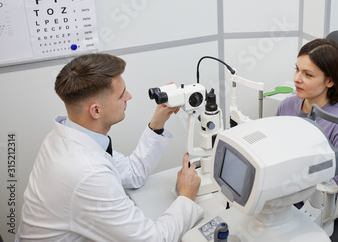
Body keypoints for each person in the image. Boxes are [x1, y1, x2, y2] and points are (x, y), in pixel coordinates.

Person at [16, 53, 203, 242]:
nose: (129, 97)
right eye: (122, 94)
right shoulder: (86, 173)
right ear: (96, 110)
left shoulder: (68, 135)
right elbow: (152, 239)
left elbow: (133, 174)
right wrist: (186, 197)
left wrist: (158, 123)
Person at [276, 38, 338, 199]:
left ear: (330, 81)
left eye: (308, 74)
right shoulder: (286, 106)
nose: (297, 78)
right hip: (279, 191)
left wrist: (299, 182)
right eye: (297, 69)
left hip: (309, 204)